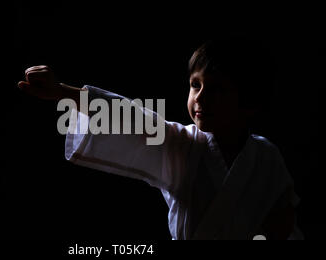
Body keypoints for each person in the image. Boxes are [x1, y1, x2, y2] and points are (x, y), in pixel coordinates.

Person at [17, 36, 303, 240]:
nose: (200, 98)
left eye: (216, 90)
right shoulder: (181, 145)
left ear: (249, 101)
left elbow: (283, 215)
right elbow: (131, 117)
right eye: (195, 85)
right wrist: (63, 91)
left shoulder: (266, 155)